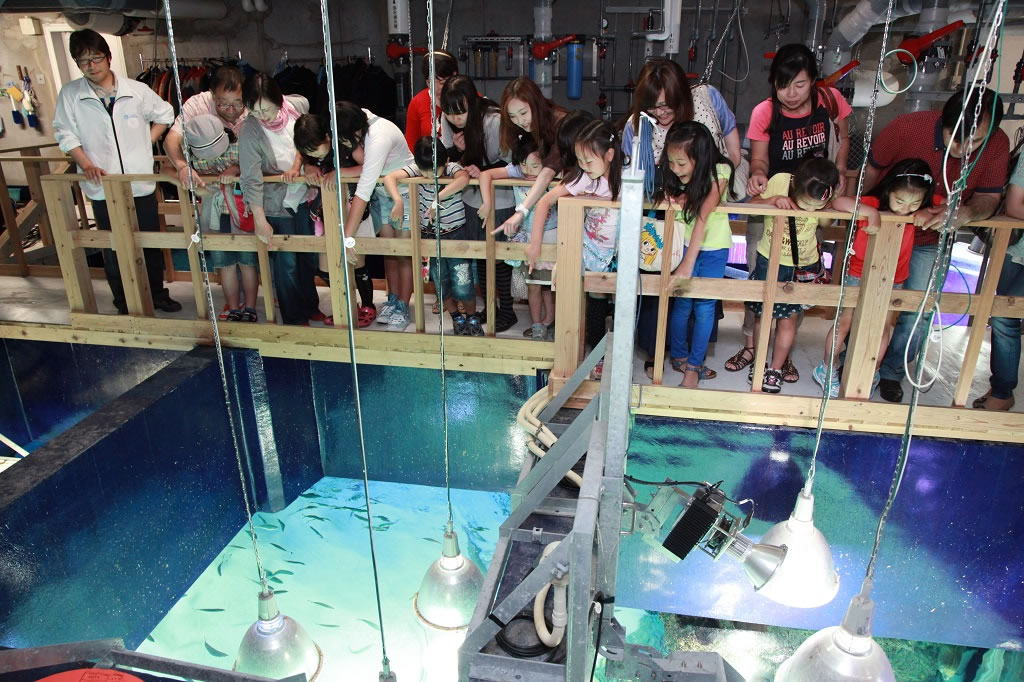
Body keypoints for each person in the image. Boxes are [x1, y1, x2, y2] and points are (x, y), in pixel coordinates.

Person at [866, 87, 1009, 403]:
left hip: (931, 240)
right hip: (887, 232)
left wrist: (964, 213)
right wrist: (872, 215)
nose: (963, 147)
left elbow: (989, 197)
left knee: (919, 308)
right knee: (867, 299)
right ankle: (856, 359)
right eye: (956, 137)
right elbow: (870, 174)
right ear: (944, 121)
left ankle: (891, 372)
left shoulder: (997, 145)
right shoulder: (907, 128)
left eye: (975, 141)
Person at [728, 44, 853, 381]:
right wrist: (757, 175)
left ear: (814, 81)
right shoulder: (765, 112)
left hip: (812, 200)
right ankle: (752, 346)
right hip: (775, 196)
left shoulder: (830, 101)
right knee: (760, 276)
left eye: (799, 85)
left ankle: (781, 357)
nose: (791, 94)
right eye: (783, 86)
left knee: (798, 277)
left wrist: (840, 170)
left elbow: (843, 139)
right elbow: (759, 159)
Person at [622, 57, 745, 378]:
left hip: (708, 237)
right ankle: (666, 353)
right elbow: (633, 169)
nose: (659, 114)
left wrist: (727, 170)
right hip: (670, 226)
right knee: (670, 296)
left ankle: (693, 361)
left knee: (701, 305)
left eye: (666, 106)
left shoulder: (707, 101)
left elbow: (730, 136)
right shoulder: (638, 125)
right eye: (652, 107)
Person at [52, 29, 179, 315]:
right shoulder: (71, 95)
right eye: (84, 61)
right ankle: (123, 300)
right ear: (77, 63)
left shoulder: (135, 90)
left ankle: (157, 294)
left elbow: (165, 113)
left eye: (96, 58)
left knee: (149, 242)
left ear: (108, 57)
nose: (91, 66)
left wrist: (147, 140)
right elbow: (64, 132)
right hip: (103, 184)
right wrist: (85, 162)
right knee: (113, 247)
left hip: (140, 182)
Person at [812, 160, 937, 397]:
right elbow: (837, 202)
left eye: (915, 203)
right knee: (845, 321)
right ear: (889, 192)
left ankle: (874, 370)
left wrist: (927, 211)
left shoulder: (919, 211)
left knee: (883, 327)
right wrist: (870, 213)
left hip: (894, 277)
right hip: (858, 272)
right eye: (900, 201)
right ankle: (827, 368)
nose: (904, 208)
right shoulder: (872, 204)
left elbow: (949, 206)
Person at [745, 157, 862, 393]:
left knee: (788, 321)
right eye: (804, 202)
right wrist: (772, 200)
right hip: (769, 259)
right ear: (796, 185)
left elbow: (832, 217)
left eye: (815, 206)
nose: (809, 210)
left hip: (802, 265)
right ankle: (759, 364)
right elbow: (752, 203)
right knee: (762, 316)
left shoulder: (826, 200)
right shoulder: (780, 181)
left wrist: (831, 202)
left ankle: (775, 370)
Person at [307, 102, 415, 330]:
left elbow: (363, 191)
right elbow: (366, 169)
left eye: (346, 140)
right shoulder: (360, 119)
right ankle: (393, 299)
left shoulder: (378, 137)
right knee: (388, 251)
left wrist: (347, 237)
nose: (345, 145)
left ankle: (404, 305)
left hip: (403, 195)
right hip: (382, 192)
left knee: (404, 252)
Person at [527, 120, 623, 367]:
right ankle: (593, 355)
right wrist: (535, 244)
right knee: (592, 300)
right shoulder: (584, 177)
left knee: (617, 303)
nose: (583, 166)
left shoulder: (627, 177)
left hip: (619, 250)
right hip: (589, 249)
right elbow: (544, 202)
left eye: (589, 161)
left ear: (610, 155)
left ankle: (613, 354)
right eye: (579, 160)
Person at [238, 72, 319, 326]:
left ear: (280, 100)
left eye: (266, 109)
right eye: (254, 110)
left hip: (304, 196)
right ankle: (294, 316)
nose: (262, 116)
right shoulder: (250, 129)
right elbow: (250, 177)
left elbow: (308, 138)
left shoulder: (296, 107)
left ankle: (310, 306)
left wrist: (308, 164)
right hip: (275, 203)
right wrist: (260, 220)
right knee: (287, 263)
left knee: (308, 257)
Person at [439, 75, 518, 331]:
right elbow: (447, 158)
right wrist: (459, 153)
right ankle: (489, 308)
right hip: (471, 198)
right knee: (482, 256)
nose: (455, 118)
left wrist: (479, 166)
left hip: (500, 196)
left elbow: (511, 164)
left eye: (460, 112)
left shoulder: (493, 120)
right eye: (449, 113)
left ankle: (507, 310)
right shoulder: (448, 119)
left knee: (500, 256)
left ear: (472, 101)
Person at [660, 122, 735, 388]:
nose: (675, 169)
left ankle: (694, 365)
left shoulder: (720, 170)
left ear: (700, 158)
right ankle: (679, 356)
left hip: (713, 248)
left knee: (704, 307)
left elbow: (703, 215)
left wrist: (688, 263)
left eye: (681, 163)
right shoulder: (675, 176)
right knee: (681, 303)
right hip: (683, 244)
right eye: (671, 162)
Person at [385, 137, 476, 335]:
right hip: (429, 236)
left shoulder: (451, 168)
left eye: (434, 172)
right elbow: (389, 178)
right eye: (424, 172)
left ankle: (472, 318)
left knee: (463, 281)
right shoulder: (417, 168)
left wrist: (438, 198)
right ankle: (456, 318)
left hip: (455, 234)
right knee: (440, 282)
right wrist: (397, 200)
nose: (428, 177)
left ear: (446, 161)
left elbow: (463, 179)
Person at [293, 112, 378, 325]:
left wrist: (340, 172)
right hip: (327, 214)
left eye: (314, 149)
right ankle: (347, 304)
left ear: (327, 137)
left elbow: (369, 167)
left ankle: (368, 305)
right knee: (326, 268)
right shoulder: (309, 153)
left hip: (355, 209)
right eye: (307, 151)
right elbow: (305, 160)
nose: (310, 153)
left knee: (357, 264)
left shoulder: (346, 143)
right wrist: (307, 166)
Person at [182, 113, 260, 322]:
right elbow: (170, 167)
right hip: (213, 215)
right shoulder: (190, 157)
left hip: (242, 211)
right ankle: (234, 307)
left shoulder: (239, 146)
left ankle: (251, 307)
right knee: (225, 263)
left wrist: (235, 169)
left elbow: (256, 166)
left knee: (247, 261)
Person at [483, 135, 558, 341]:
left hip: (550, 236)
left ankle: (549, 322)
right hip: (526, 237)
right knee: (533, 283)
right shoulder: (518, 171)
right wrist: (487, 202)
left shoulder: (551, 174)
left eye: (534, 166)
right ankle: (536, 325)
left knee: (549, 286)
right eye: (523, 164)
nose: (527, 171)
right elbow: (486, 175)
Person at [974, 154, 1024, 411]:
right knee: (1002, 311)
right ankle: (1001, 387)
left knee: (1004, 315)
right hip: (1016, 244)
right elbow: (1014, 205)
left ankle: (1003, 391)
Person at [493, 78, 569, 242]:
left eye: (523, 113)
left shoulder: (559, 121)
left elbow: (548, 171)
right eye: (512, 116)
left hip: (574, 197)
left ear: (535, 104)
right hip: (550, 202)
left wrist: (521, 212)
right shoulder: (521, 127)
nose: (520, 121)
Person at [164, 65, 247, 191]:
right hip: (209, 185)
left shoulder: (255, 104)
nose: (231, 110)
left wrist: (237, 169)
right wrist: (183, 167)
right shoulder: (198, 104)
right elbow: (171, 140)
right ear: (212, 95)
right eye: (223, 104)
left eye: (238, 103)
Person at [405, 50, 458, 151]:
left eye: (441, 83)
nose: (436, 89)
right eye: (430, 82)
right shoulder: (417, 103)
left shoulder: (469, 97)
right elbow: (411, 146)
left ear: (454, 76)